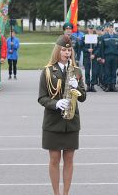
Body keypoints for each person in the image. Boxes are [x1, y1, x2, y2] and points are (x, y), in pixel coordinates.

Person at [38, 35, 86, 195]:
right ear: (58, 51)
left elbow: (83, 97)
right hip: (53, 121)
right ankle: (56, 193)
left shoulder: (77, 71)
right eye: (64, 50)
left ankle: (66, 193)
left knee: (70, 159)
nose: (67, 53)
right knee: (54, 159)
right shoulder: (47, 71)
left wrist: (77, 87)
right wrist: (55, 103)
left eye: (69, 49)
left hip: (71, 122)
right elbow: (42, 98)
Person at [98, 23, 118, 92]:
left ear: (113, 28)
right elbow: (101, 48)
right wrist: (102, 57)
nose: (110, 28)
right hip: (107, 56)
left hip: (115, 56)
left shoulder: (117, 37)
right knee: (107, 71)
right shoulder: (104, 37)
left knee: (114, 71)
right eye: (109, 27)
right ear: (107, 28)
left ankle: (113, 86)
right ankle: (108, 86)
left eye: (112, 27)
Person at [82, 25, 98, 92]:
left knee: (94, 72)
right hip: (87, 57)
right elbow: (82, 47)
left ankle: (93, 85)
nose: (91, 30)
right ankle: (88, 85)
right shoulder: (84, 37)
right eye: (90, 28)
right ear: (88, 29)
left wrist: (94, 54)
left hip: (93, 57)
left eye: (92, 29)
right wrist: (87, 50)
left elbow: (98, 48)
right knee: (87, 72)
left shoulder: (96, 37)